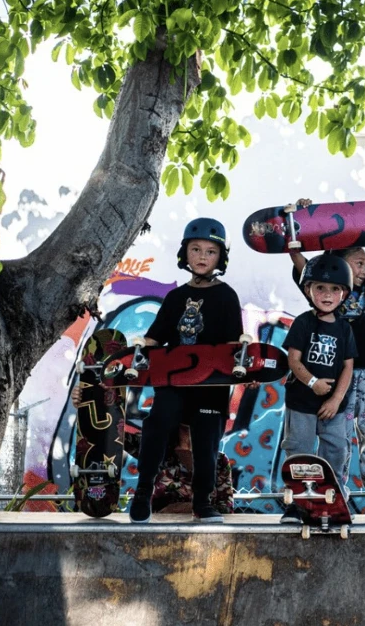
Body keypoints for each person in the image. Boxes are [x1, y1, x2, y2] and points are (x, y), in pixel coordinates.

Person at [129, 217, 243, 523]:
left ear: (221, 257)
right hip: (175, 382)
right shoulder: (176, 298)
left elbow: (234, 344)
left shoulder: (227, 296)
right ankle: (142, 493)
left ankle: (202, 503)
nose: (203, 256)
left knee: (206, 444)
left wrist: (247, 368)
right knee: (157, 423)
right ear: (185, 254)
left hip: (210, 385)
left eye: (210, 251)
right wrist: (133, 353)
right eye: (196, 249)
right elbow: (155, 338)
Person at [290, 236, 365, 523]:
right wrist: (297, 228)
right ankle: (335, 497)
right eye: (358, 263)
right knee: (339, 440)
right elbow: (300, 264)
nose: (364, 269)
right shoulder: (328, 290)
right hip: (339, 378)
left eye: (364, 263)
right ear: (339, 266)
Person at [279, 254, 358, 524]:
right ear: (308, 290)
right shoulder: (303, 322)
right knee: (298, 452)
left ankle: (331, 500)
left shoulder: (345, 329)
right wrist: (313, 383)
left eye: (335, 289)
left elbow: (348, 367)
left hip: (334, 407)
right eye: (320, 288)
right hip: (302, 402)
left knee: (336, 452)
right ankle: (295, 503)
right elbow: (293, 360)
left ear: (344, 293)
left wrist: (336, 399)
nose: (327, 294)